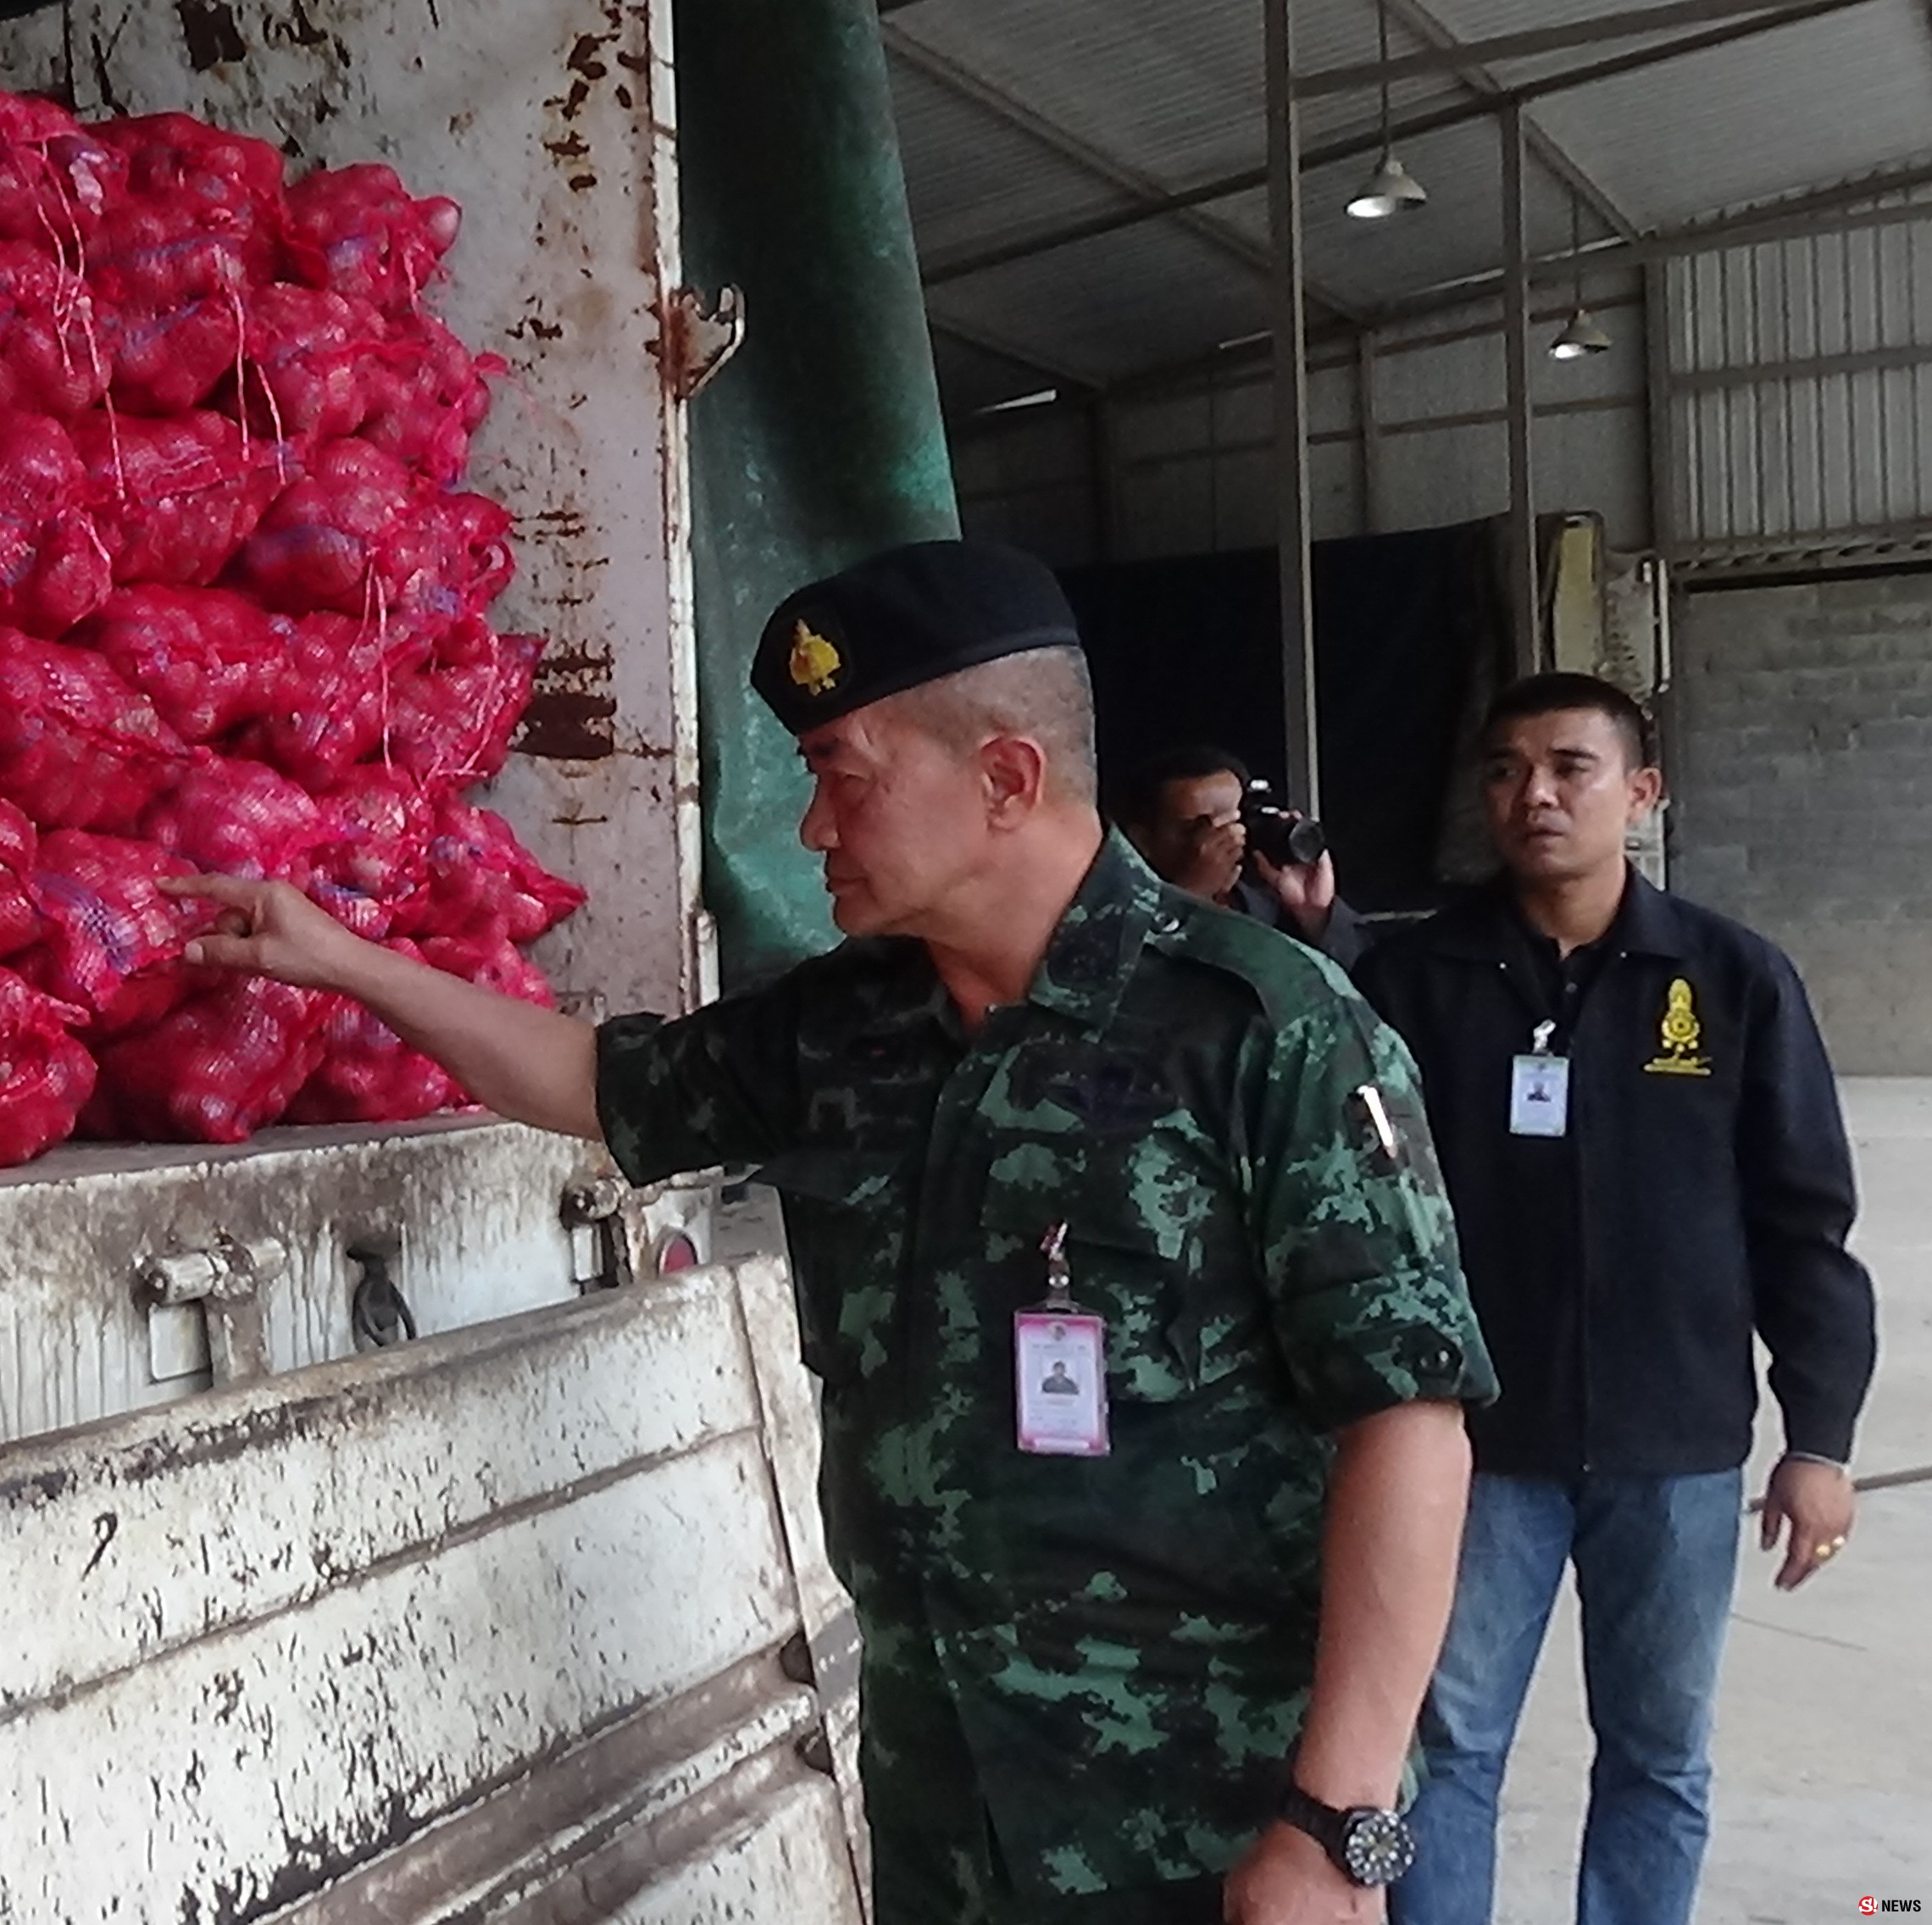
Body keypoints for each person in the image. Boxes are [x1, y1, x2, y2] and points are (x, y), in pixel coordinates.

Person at [172, 540, 1494, 1925]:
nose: (811, 829)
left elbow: (1408, 1420)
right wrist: (343, 960)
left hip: (1199, 1824)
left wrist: (1333, 1822)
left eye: (840, 776)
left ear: (1004, 779)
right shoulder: (845, 1024)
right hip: (943, 1800)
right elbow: (593, 1083)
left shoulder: (1264, 1032)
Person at [1356, 673, 1878, 1925]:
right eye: (1504, 769)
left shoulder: (1733, 980)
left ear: (1640, 791)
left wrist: (1821, 1440)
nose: (1533, 794)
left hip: (1676, 1448)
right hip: (1474, 1447)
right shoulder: (1417, 982)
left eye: (1569, 766)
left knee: (1657, 1754)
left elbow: (1805, 1222)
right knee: (1448, 1750)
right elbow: (1355, 1217)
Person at [1118, 744, 1368, 968]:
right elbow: (1123, 987)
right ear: (1142, 839)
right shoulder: (1116, 911)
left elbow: (1371, 985)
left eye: (1235, 820)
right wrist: (1190, 898)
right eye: (1195, 828)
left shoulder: (1269, 908)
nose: (1227, 837)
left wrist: (1316, 913)